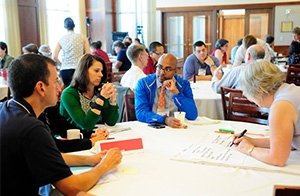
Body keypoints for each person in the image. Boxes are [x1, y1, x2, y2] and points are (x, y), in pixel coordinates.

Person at [0, 54, 122, 195]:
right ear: (41, 87)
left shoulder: (8, 108)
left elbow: (51, 155)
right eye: (56, 81)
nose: (60, 87)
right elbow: (72, 188)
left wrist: (90, 159)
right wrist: (105, 165)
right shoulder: (31, 129)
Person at [233, 60, 300, 167]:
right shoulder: (289, 90)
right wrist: (253, 141)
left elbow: (278, 159)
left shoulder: (280, 106)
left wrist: (250, 149)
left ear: (259, 90)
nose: (252, 101)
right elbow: (286, 142)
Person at [60, 54, 119, 136]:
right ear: (84, 71)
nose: (101, 75)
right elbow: (86, 126)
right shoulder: (69, 94)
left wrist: (113, 100)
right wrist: (101, 98)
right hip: (73, 139)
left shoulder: (100, 89)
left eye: (101, 71)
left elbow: (111, 122)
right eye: (96, 71)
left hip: (96, 135)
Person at [135, 53, 198, 128]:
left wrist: (176, 93)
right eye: (159, 67)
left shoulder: (183, 85)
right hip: (152, 126)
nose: (162, 72)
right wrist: (164, 120)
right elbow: (141, 113)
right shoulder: (144, 83)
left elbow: (192, 115)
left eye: (168, 69)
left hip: (175, 128)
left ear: (175, 71)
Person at [39, 103, 109, 153]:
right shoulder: (69, 93)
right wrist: (90, 142)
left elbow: (64, 128)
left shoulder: (48, 107)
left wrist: (92, 134)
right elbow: (54, 146)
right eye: (55, 83)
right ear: (41, 88)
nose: (59, 88)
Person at [53, 17, 90, 87]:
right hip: (78, 68)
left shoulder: (61, 39)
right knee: (79, 92)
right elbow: (88, 54)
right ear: (74, 25)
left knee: (68, 92)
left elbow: (54, 56)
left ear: (64, 27)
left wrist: (61, 64)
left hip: (65, 69)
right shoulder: (82, 37)